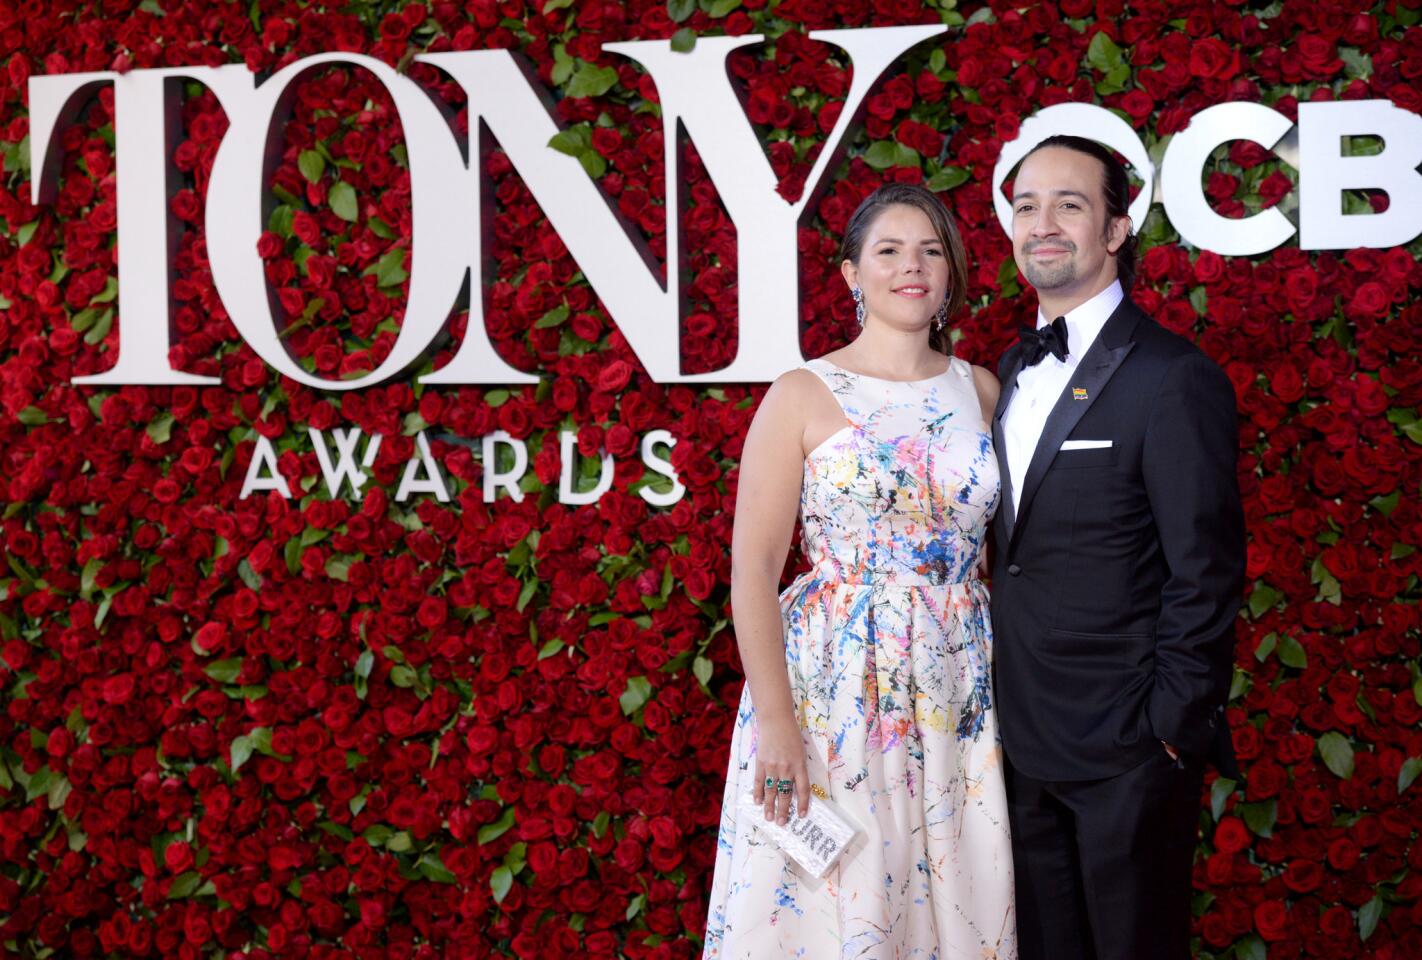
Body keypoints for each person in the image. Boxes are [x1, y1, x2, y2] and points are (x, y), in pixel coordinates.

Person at [702, 182, 1016, 959]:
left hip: (959, 689)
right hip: (830, 693)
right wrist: (776, 718)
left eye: (931, 251)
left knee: (957, 899)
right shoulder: (802, 393)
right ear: (850, 274)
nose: (912, 267)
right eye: (889, 251)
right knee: (832, 906)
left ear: (950, 275)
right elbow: (753, 571)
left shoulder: (981, 390)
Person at [989, 135, 1245, 960]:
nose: (1044, 223)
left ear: (1116, 229)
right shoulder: (1005, 372)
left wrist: (1169, 729)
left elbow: (1205, 570)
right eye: (1027, 205)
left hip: (1129, 751)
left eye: (1070, 203)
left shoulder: (1172, 376)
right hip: (1017, 747)